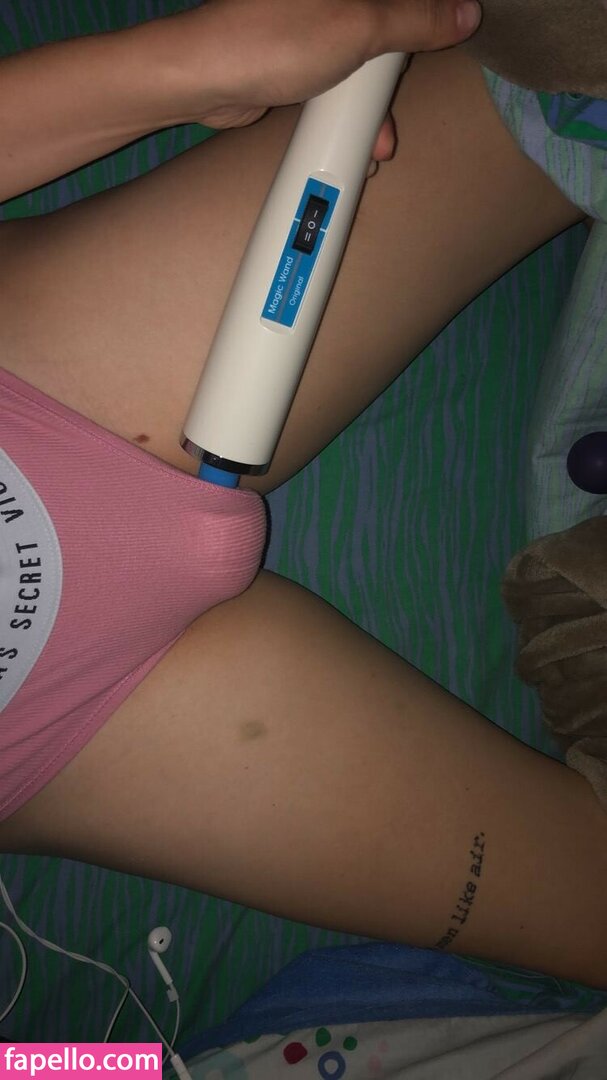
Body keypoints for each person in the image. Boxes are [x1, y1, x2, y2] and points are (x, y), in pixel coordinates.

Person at [0, 0, 605, 995]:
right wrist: (94, 1068)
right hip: (64, 736)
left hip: (37, 380)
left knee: (549, 67)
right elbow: (40, 1067)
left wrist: (180, 68)